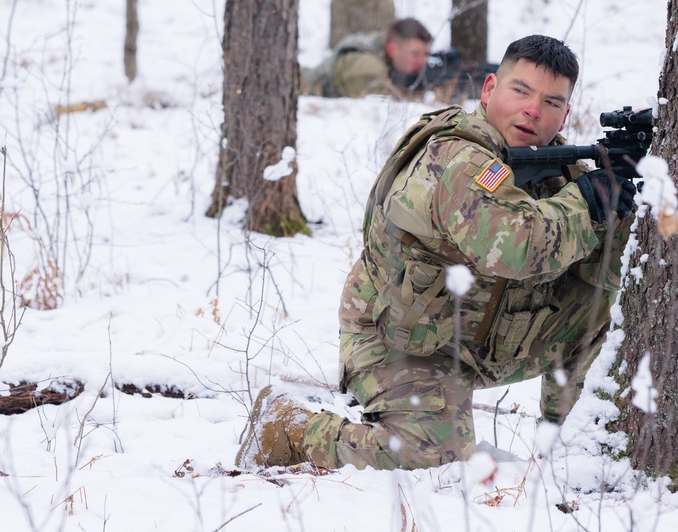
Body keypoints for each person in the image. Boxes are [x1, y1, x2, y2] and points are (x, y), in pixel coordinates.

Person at [237, 35, 637, 471]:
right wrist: (587, 203)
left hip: (479, 336)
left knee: (604, 307)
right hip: (397, 342)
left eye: (551, 102)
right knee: (432, 459)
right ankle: (289, 428)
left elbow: (607, 281)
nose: (533, 110)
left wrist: (621, 208)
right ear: (489, 90)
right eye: (520, 91)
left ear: (566, 113)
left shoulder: (558, 171)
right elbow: (514, 247)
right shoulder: (455, 158)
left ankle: (572, 444)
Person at [300, 18, 432, 99]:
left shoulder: (383, 44)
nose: (422, 62)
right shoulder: (370, 69)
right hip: (299, 87)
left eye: (425, 55)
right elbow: (383, 108)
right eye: (415, 54)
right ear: (392, 50)